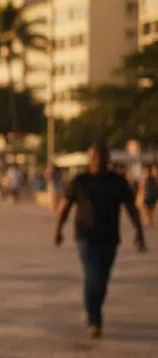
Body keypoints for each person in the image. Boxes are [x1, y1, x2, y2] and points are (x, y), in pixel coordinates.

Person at [53, 143, 147, 339]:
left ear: (108, 160)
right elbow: (65, 207)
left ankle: (96, 313)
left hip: (110, 238)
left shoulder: (118, 182)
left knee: (102, 280)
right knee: (93, 276)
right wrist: (58, 230)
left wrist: (139, 232)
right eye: (95, 157)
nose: (99, 160)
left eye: (102, 157)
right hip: (86, 237)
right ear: (90, 159)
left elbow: (131, 208)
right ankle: (93, 320)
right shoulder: (81, 181)